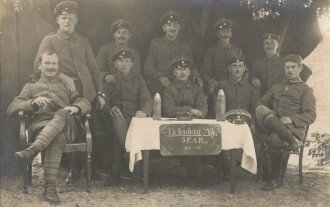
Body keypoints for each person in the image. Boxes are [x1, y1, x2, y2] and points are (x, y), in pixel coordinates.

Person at [34, 0, 105, 182]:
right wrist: (60, 74)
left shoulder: (82, 40)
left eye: (71, 19)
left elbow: (94, 68)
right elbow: (37, 66)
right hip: (64, 91)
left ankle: (88, 170)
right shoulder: (49, 40)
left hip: (86, 91)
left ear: (76, 20)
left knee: (92, 129)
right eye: (64, 18)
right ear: (58, 20)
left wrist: (100, 92)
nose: (67, 22)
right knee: (72, 129)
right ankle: (73, 171)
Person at [7, 51, 90, 204]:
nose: (51, 67)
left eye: (54, 63)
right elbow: (12, 107)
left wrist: (76, 108)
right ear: (39, 66)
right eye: (47, 63)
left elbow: (84, 102)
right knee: (56, 137)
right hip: (41, 125)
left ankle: (32, 151)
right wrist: (32, 102)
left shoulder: (67, 84)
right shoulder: (30, 87)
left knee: (62, 112)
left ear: (58, 66)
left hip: (67, 125)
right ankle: (49, 187)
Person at [255, 54, 316, 190]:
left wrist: (292, 119)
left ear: (300, 68)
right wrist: (271, 113)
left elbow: (311, 115)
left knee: (275, 138)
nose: (289, 70)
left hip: (292, 128)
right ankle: (293, 142)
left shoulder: (306, 90)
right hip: (274, 123)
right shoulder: (277, 87)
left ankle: (275, 179)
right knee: (260, 109)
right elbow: (261, 102)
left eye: (293, 67)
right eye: (287, 67)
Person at [103, 47, 153, 185]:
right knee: (119, 120)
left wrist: (144, 110)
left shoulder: (139, 80)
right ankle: (137, 170)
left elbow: (147, 100)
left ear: (132, 64)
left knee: (126, 134)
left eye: (127, 61)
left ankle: (116, 173)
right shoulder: (109, 81)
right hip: (114, 118)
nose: (123, 64)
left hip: (134, 118)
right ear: (115, 64)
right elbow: (103, 102)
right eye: (120, 61)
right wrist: (109, 108)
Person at [212, 53, 260, 180]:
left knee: (255, 139)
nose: (237, 69)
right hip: (227, 123)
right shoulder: (222, 85)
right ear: (229, 68)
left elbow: (255, 108)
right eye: (234, 66)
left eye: (240, 66)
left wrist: (253, 123)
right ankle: (227, 170)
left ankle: (248, 169)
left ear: (244, 68)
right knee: (224, 139)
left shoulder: (250, 87)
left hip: (246, 124)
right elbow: (216, 107)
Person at [163, 55, 207, 181]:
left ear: (189, 72)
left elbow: (202, 110)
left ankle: (196, 171)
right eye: (178, 69)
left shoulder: (197, 89)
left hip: (194, 126)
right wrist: (190, 110)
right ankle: (192, 172)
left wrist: (195, 113)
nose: (182, 72)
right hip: (175, 126)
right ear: (174, 72)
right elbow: (169, 110)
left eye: (185, 69)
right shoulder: (168, 89)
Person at [144, 9, 203, 97]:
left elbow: (191, 65)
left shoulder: (184, 45)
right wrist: (160, 77)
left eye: (175, 25)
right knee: (156, 93)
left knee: (196, 91)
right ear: (164, 28)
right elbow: (148, 67)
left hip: (180, 80)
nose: (172, 28)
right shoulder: (156, 44)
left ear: (179, 27)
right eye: (169, 25)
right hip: (161, 82)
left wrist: (197, 76)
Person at [200, 18, 243, 95]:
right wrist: (209, 80)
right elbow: (204, 72)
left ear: (231, 34)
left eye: (228, 31)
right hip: (218, 84)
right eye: (223, 31)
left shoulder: (237, 51)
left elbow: (245, 70)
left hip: (234, 84)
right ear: (218, 34)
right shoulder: (211, 51)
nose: (225, 34)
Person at [96, 18, 141, 84]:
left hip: (128, 85)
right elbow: (96, 70)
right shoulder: (105, 49)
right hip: (110, 85)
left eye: (124, 33)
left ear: (129, 36)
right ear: (114, 35)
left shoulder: (134, 52)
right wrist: (105, 75)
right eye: (118, 32)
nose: (121, 36)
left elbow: (137, 73)